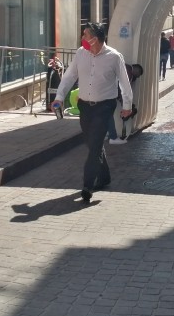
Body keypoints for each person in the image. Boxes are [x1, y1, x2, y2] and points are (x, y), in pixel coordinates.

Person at [51, 22, 133, 203]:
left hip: (105, 106)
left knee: (94, 144)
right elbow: (70, 75)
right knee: (92, 143)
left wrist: (127, 105)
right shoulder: (81, 53)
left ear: (95, 39)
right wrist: (59, 97)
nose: (82, 38)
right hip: (85, 106)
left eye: (85, 35)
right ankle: (105, 177)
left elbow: (124, 83)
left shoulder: (114, 57)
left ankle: (88, 185)